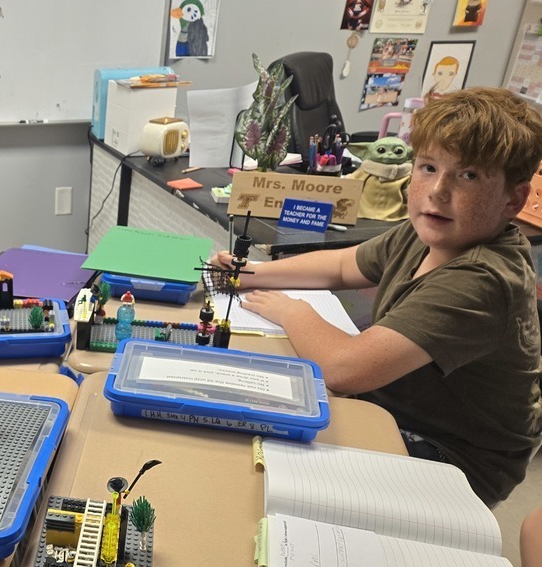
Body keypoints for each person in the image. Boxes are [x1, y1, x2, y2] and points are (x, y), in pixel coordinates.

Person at [212, 87, 542, 510]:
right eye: (427, 167)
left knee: (270, 472)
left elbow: (345, 369)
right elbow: (342, 266)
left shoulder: (482, 278)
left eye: (469, 176)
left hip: (454, 459)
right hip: (393, 410)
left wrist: (292, 311)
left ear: (512, 199)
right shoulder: (431, 229)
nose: (436, 191)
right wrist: (252, 274)